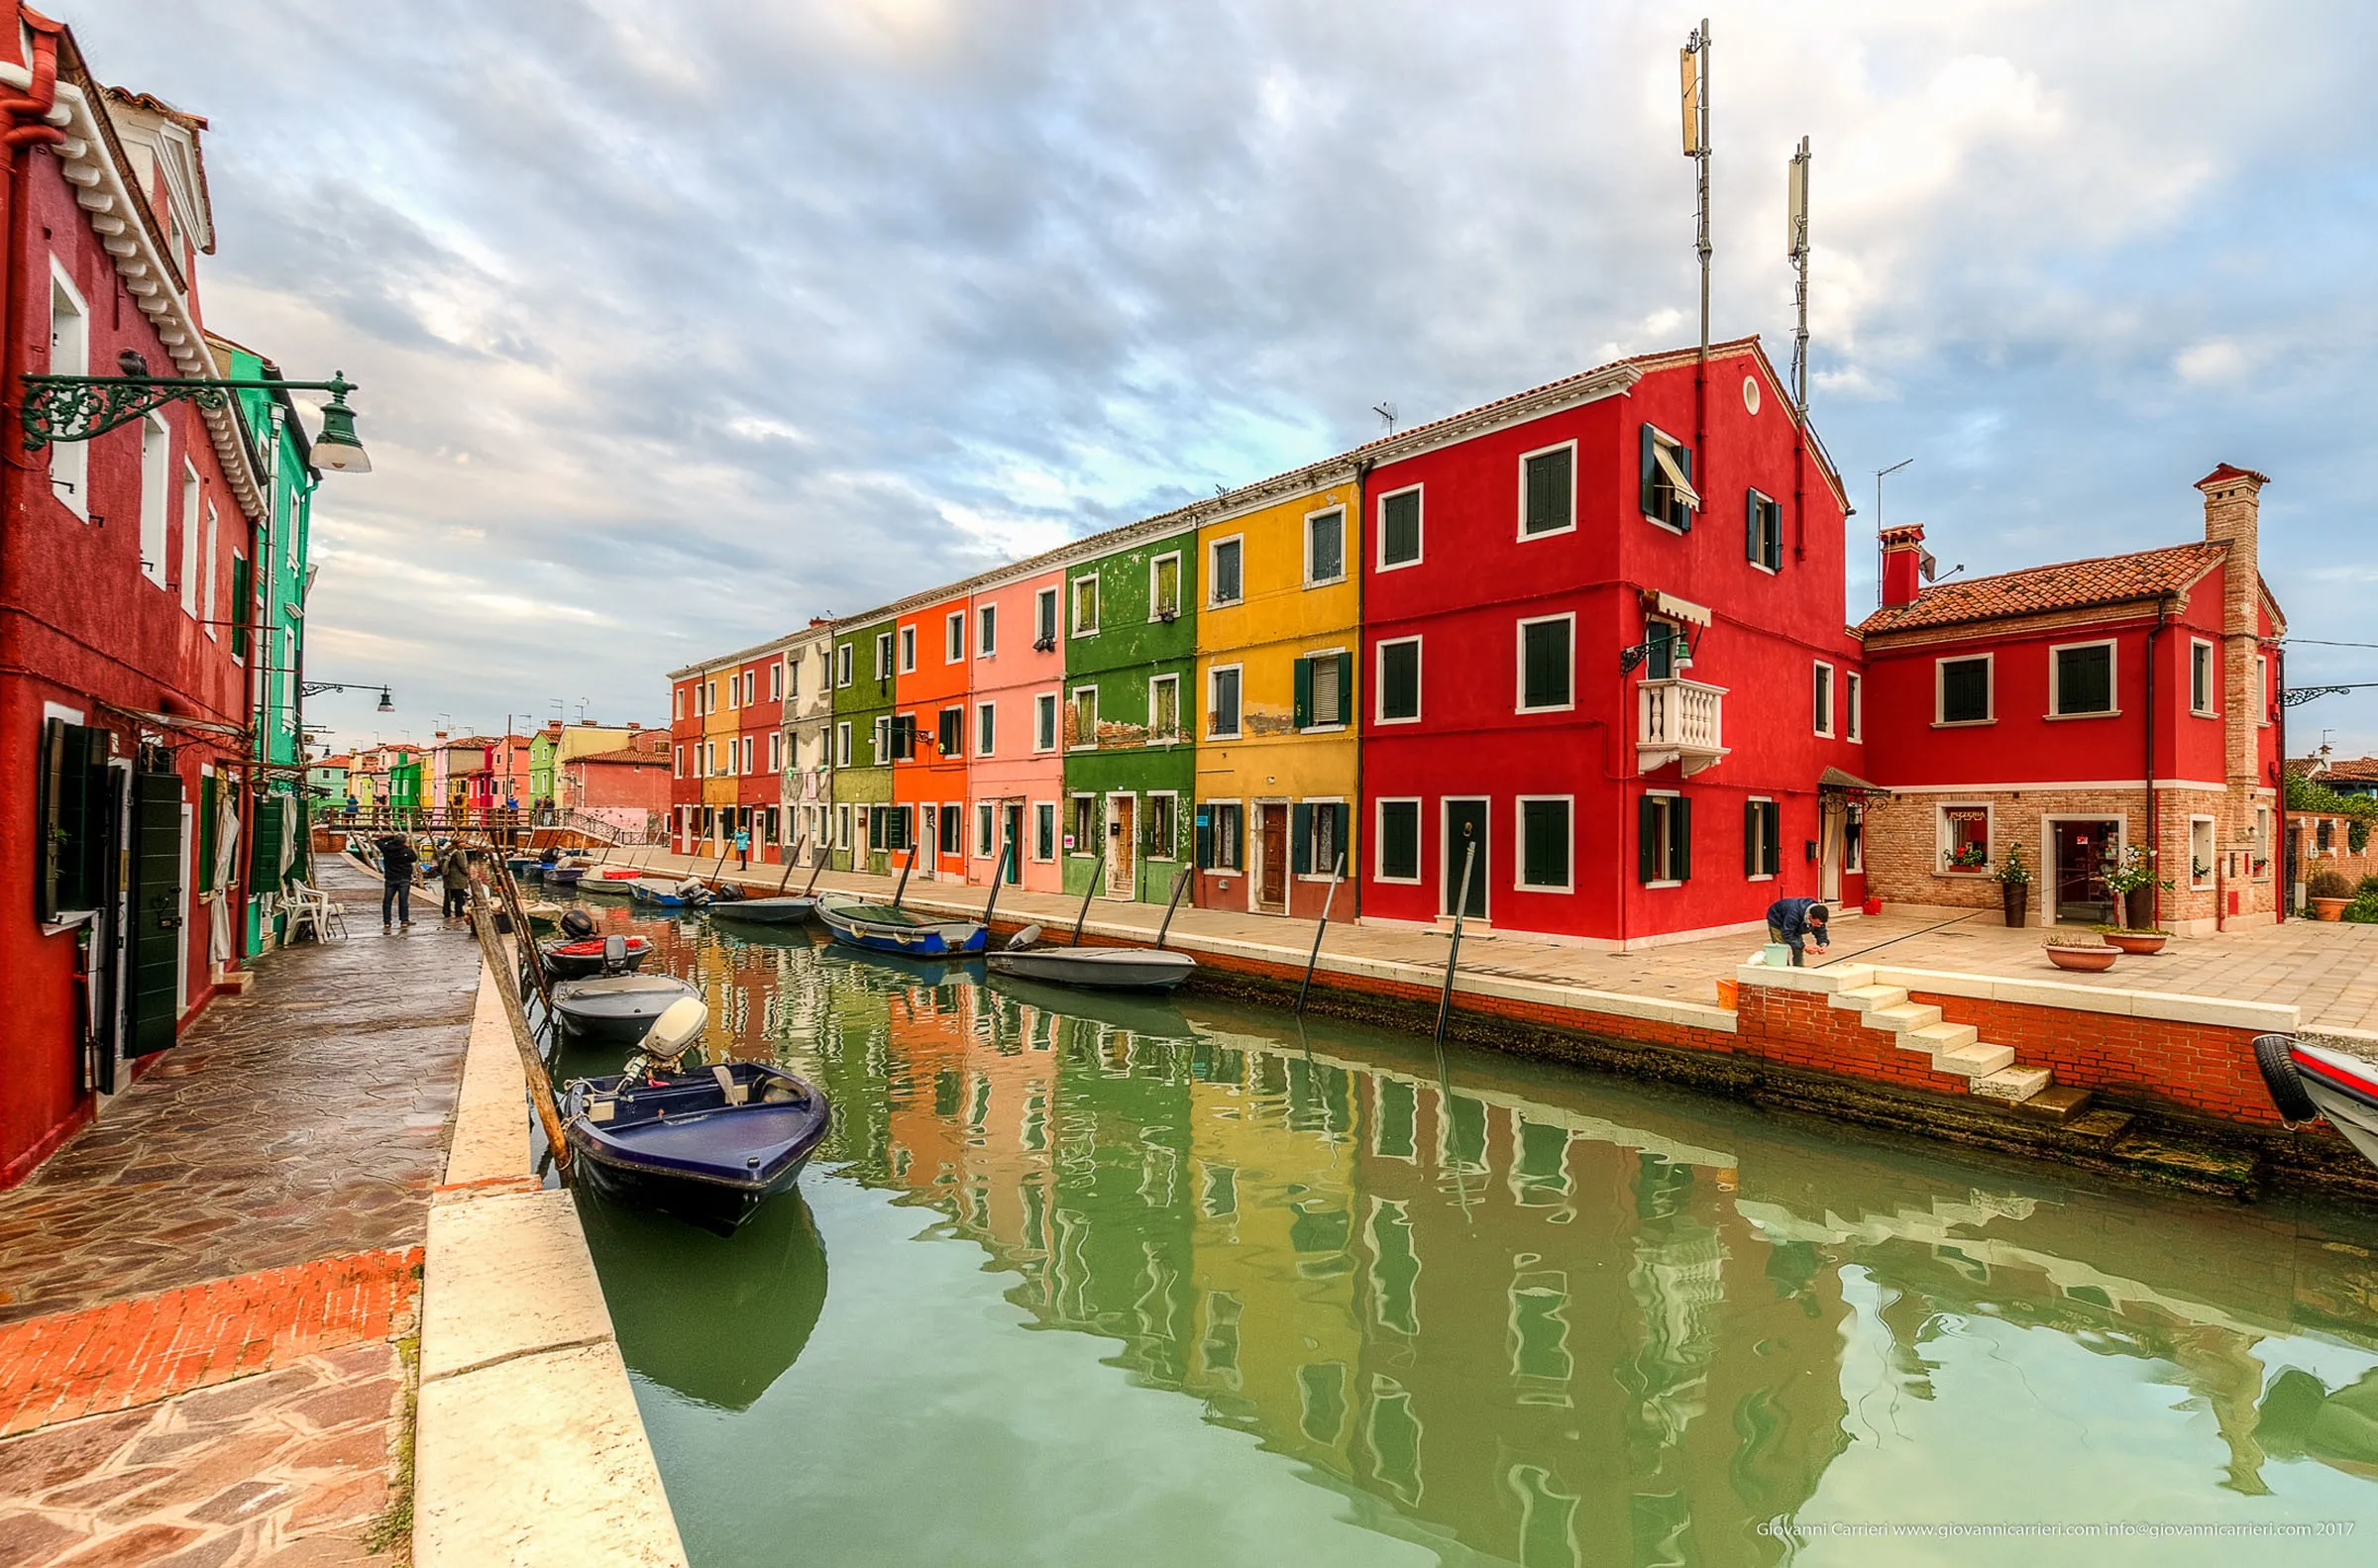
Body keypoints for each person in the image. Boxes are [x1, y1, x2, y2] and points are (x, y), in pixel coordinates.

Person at [1765, 896, 1829, 967]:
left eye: (1821, 924)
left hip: (1795, 922)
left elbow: (1821, 931)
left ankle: (1799, 969)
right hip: (1777, 919)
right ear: (1810, 916)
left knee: (1798, 948)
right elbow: (1787, 934)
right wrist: (1804, 947)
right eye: (1817, 924)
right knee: (1782, 948)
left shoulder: (1819, 914)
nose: (1819, 926)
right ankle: (1784, 969)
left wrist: (1823, 944)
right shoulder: (1793, 915)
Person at [378, 834, 418, 932]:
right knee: (403, 900)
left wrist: (391, 837)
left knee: (387, 900)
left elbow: (378, 842)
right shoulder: (407, 851)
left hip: (390, 878)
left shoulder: (387, 849)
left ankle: (387, 921)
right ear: (404, 841)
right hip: (404, 878)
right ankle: (404, 920)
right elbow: (414, 858)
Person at [439, 841, 474, 919]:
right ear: (458, 844)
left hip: (449, 878)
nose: (465, 844)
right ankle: (458, 911)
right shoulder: (457, 853)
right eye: (462, 842)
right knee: (458, 895)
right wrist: (467, 873)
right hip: (457, 878)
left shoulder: (450, 851)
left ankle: (446, 911)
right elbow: (462, 865)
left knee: (448, 896)